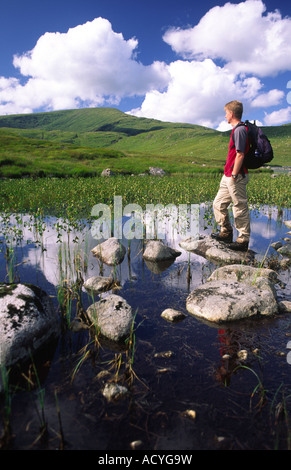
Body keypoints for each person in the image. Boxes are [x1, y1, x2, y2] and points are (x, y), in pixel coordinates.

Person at [212, 100, 250, 251]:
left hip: (236, 176)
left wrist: (234, 175)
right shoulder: (236, 130)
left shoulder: (240, 130)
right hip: (228, 175)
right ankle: (226, 232)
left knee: (239, 206)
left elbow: (240, 154)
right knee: (218, 204)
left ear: (232, 114)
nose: (225, 115)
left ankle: (243, 240)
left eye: (226, 113)